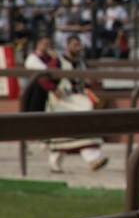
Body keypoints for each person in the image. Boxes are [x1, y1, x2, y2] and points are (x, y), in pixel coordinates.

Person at [24, 36, 108, 173]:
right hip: (61, 102)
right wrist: (54, 89)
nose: (78, 48)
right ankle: (89, 158)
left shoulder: (81, 62)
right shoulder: (57, 61)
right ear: (67, 46)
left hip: (77, 100)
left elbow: (83, 81)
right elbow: (43, 79)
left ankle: (92, 158)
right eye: (75, 45)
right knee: (65, 132)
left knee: (80, 127)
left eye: (79, 45)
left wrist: (91, 83)